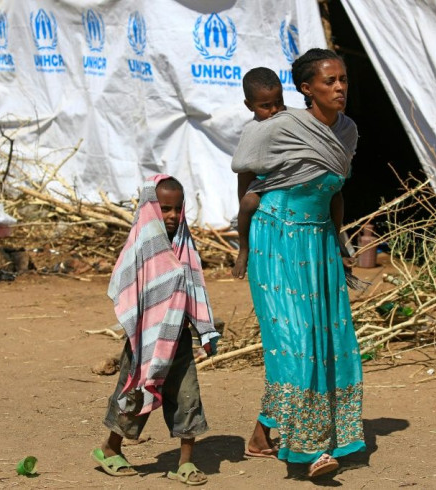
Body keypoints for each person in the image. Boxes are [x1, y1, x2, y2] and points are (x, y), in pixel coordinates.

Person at [231, 48, 365, 479]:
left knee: (327, 341)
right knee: (295, 341)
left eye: (343, 79)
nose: (339, 87)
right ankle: (308, 450)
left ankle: (260, 437)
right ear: (306, 89)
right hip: (278, 238)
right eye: (329, 81)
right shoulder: (279, 127)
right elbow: (245, 174)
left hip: (320, 243)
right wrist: (245, 242)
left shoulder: (348, 131)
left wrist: (341, 242)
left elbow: (335, 190)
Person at [92, 175, 220, 486]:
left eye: (177, 209)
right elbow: (125, 283)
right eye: (165, 209)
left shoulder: (184, 245)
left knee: (187, 397)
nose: (173, 216)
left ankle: (185, 462)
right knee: (135, 393)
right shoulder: (142, 245)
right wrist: (137, 325)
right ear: (151, 208)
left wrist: (205, 330)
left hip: (179, 338)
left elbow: (195, 287)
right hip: (144, 340)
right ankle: (110, 448)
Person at [232, 67, 286, 279]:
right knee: (248, 204)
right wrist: (244, 197)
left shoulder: (291, 121)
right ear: (249, 105)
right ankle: (243, 248)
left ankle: (339, 245)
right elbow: (243, 170)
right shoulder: (251, 131)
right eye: (265, 106)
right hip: (262, 183)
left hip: (289, 181)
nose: (274, 110)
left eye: (278, 102)